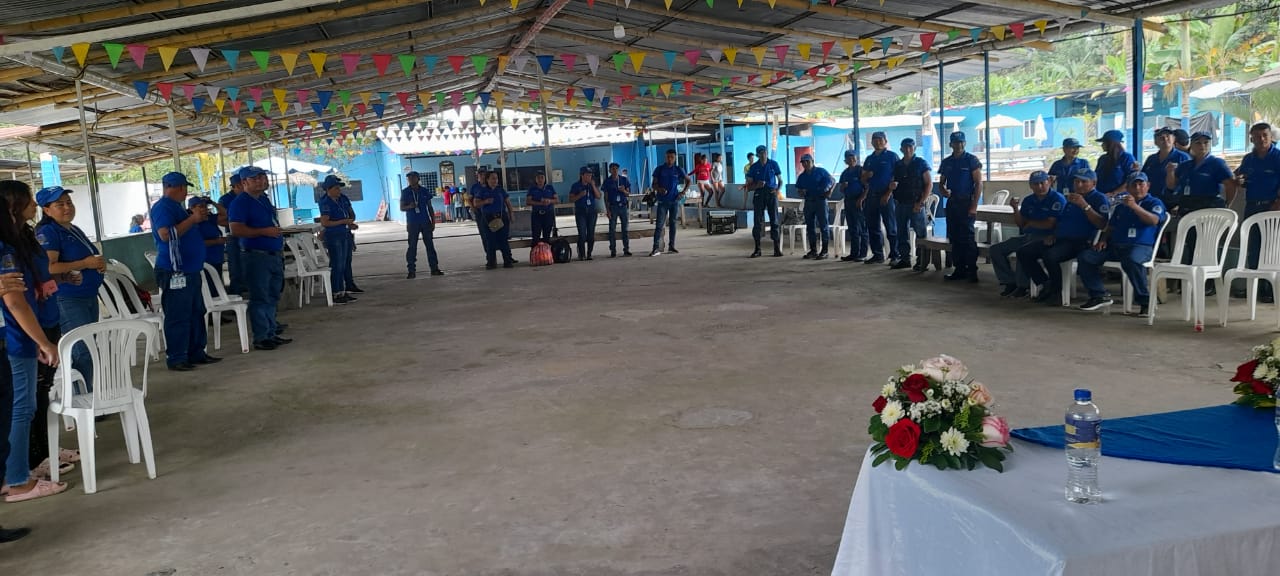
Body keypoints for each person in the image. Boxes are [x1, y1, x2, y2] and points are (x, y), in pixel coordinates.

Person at [0, 181, 64, 504]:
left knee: (21, 406)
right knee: (21, 408)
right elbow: (15, 302)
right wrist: (43, 341)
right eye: (29, 201)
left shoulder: (17, 241)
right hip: (16, 339)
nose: (34, 206)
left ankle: (16, 472)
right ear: (12, 208)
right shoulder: (5, 250)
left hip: (19, 337)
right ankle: (17, 480)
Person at [35, 186, 105, 391]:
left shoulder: (71, 228)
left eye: (69, 202)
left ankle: (87, 393)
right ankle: (81, 397)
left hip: (87, 296)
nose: (67, 207)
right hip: (68, 298)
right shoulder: (48, 231)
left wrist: (98, 264)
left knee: (88, 347)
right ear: (46, 210)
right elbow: (49, 267)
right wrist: (85, 263)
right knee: (81, 350)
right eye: (60, 204)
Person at [150, 172, 217, 371]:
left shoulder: (176, 207)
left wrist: (193, 219)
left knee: (196, 311)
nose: (185, 192)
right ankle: (177, 357)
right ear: (176, 187)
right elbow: (165, 235)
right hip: (174, 271)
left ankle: (196, 352)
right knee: (178, 314)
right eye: (184, 188)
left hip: (190, 269)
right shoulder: (163, 207)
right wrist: (192, 219)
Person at [1076, 172, 1169, 314]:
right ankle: (1099, 295)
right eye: (1133, 185)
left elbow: (1153, 220)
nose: (1137, 188)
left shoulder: (1154, 203)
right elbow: (1110, 227)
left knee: (1131, 260)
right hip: (1116, 246)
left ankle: (1145, 302)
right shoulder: (1121, 206)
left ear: (1148, 186)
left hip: (1141, 247)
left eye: (1141, 184)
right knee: (1086, 257)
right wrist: (1103, 239)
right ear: (1128, 188)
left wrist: (1134, 206)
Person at [1016, 168, 1110, 304]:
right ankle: (1045, 284)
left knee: (1050, 256)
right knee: (1024, 252)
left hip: (1081, 241)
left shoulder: (1098, 198)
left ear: (1093, 183)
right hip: (1061, 238)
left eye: (1084, 182)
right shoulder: (1072, 198)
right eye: (1076, 181)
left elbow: (1103, 224)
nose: (1079, 185)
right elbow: (1062, 221)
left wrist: (1085, 206)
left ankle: (1056, 293)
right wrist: (1053, 234)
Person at [229, 165, 291, 351]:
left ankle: (271, 331)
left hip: (273, 255)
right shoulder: (240, 203)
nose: (261, 181)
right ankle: (261, 336)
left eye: (262, 177)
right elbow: (236, 229)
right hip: (256, 256)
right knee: (260, 296)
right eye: (255, 178)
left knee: (272, 295)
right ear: (244, 182)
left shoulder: (263, 199)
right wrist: (264, 232)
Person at [991, 171, 1063, 298]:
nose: (1040, 187)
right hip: (1028, 235)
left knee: (1023, 250)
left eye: (1042, 183)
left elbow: (1050, 224)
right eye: (1036, 184)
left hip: (1046, 238)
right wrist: (1015, 209)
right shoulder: (1029, 200)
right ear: (1030, 185)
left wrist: (1031, 223)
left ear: (1049, 182)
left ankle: (1022, 286)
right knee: (995, 249)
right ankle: (1009, 281)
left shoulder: (1057, 199)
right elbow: (1021, 224)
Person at [1234, 122, 1280, 302]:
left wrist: (1277, 203)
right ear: (1251, 138)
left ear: (1270, 137)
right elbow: (1243, 178)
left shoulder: (1277, 157)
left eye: (1264, 135)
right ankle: (1253, 288)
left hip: (1272, 207)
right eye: (1257, 136)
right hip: (1252, 206)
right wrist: (1240, 180)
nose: (1261, 139)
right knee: (1252, 247)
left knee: (1270, 248)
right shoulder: (1248, 159)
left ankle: (1269, 289)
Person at [938, 132, 983, 280]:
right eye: (956, 142)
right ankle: (959, 269)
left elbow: (978, 183)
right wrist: (943, 190)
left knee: (967, 237)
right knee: (954, 236)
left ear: (965, 143)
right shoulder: (947, 162)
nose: (959, 145)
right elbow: (941, 182)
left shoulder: (971, 160)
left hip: (966, 203)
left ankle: (972, 270)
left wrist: (974, 206)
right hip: (952, 203)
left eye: (961, 142)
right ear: (950, 144)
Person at [889, 138, 932, 271]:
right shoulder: (898, 165)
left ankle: (922, 262)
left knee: (920, 234)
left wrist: (921, 202)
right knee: (901, 233)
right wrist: (891, 186)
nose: (908, 150)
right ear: (901, 149)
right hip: (901, 203)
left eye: (910, 147)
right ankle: (904, 259)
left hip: (916, 204)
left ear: (914, 149)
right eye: (905, 147)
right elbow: (893, 181)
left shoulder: (921, 163)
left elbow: (928, 184)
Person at [319, 175, 360, 304]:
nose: (339, 190)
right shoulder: (325, 202)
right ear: (328, 189)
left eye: (339, 188)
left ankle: (343, 290)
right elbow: (325, 222)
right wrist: (343, 221)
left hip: (344, 233)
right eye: (336, 188)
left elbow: (349, 213)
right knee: (337, 264)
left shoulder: (341, 199)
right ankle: (336, 293)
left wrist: (349, 223)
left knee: (344, 263)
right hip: (334, 236)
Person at [863, 131, 900, 264]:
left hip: (887, 195)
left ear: (885, 141)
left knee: (890, 226)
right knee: (873, 226)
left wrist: (888, 194)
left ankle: (895, 254)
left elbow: (897, 177)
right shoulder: (869, 159)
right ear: (872, 142)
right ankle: (877, 254)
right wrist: (866, 176)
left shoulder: (892, 156)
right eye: (875, 140)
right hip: (872, 195)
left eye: (880, 140)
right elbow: (863, 178)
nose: (878, 142)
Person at [400, 171, 442, 279]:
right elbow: (402, 207)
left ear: (418, 179)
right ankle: (411, 270)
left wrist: (433, 222)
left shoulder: (424, 191)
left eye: (413, 178)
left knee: (430, 246)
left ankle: (434, 268)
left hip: (425, 222)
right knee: (412, 247)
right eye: (409, 178)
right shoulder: (405, 192)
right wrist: (410, 206)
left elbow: (430, 207)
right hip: (412, 223)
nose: (411, 180)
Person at [745, 144, 783, 258]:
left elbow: (780, 180)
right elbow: (748, 186)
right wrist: (757, 185)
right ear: (757, 155)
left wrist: (777, 190)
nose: (763, 155)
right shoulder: (754, 167)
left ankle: (776, 248)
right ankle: (757, 249)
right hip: (759, 194)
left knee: (774, 220)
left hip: (771, 193)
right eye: (761, 153)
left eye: (765, 152)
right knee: (758, 221)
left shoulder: (773, 164)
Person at [650, 149, 690, 257]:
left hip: (674, 200)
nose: (670, 159)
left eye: (672, 157)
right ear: (665, 157)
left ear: (675, 158)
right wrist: (659, 189)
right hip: (662, 201)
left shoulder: (678, 169)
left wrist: (683, 192)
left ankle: (671, 246)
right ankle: (655, 248)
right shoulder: (659, 169)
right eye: (668, 157)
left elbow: (688, 180)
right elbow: (653, 184)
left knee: (673, 224)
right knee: (659, 225)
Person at [796, 154, 834, 260]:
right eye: (803, 162)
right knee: (810, 226)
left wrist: (830, 191)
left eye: (807, 161)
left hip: (820, 201)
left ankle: (825, 251)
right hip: (809, 202)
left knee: (823, 225)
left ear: (812, 161)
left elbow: (832, 180)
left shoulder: (821, 171)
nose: (805, 164)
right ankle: (813, 250)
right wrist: (801, 192)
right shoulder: (802, 176)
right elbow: (799, 190)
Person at [476, 171, 515, 269]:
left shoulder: (500, 190)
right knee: (490, 241)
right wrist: (485, 201)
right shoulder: (482, 191)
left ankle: (508, 261)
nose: (495, 180)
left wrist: (511, 214)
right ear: (487, 179)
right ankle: (491, 262)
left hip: (501, 217)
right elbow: (476, 203)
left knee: (503, 240)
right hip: (488, 218)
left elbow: (508, 202)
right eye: (492, 178)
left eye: (496, 178)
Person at [1141, 127, 1190, 204]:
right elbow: (1143, 178)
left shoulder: (1183, 158)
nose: (1165, 139)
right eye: (1161, 137)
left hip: (1173, 202)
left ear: (1174, 139)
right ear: (1155, 142)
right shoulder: (1151, 159)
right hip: (1151, 201)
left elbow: (1188, 182)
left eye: (1168, 136)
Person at [838, 149, 868, 262]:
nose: (851, 160)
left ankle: (863, 253)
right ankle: (854, 253)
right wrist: (843, 186)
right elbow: (841, 189)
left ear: (856, 158)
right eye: (848, 158)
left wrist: (861, 199)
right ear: (845, 161)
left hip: (859, 201)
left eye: (853, 157)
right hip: (848, 201)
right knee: (852, 228)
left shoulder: (861, 171)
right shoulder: (844, 173)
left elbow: (867, 187)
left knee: (862, 227)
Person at [218, 174, 244, 295]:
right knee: (235, 266)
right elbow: (220, 220)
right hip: (233, 236)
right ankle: (236, 292)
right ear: (236, 186)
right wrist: (235, 225)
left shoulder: (251, 196)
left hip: (250, 235)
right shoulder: (225, 200)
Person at [569, 167, 602, 260]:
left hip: (591, 212)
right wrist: (580, 195)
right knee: (582, 234)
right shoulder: (575, 186)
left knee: (591, 234)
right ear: (582, 175)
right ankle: (582, 254)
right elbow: (571, 199)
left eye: (590, 175)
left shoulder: (592, 185)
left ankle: (589, 253)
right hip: (581, 212)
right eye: (587, 175)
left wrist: (593, 186)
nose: (589, 177)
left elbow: (598, 196)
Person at [1095, 129, 1139, 197]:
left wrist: (1114, 193)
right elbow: (1096, 177)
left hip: (1120, 197)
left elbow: (1131, 180)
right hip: (1102, 195)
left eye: (1104, 142)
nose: (1102, 145)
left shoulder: (1127, 157)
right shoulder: (1102, 159)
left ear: (1111, 143)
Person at [603, 163, 632, 257]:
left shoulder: (624, 180)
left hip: (623, 206)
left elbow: (628, 194)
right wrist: (607, 210)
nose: (615, 170)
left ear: (618, 170)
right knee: (612, 229)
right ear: (609, 171)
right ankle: (613, 250)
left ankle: (626, 249)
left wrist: (623, 190)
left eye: (616, 169)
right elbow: (605, 197)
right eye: (613, 169)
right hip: (613, 207)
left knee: (625, 229)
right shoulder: (607, 181)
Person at [189, 197, 225, 272]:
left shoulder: (210, 219)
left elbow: (225, 214)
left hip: (216, 258)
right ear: (192, 208)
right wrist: (216, 241)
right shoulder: (191, 224)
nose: (204, 209)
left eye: (205, 206)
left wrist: (213, 203)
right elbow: (196, 243)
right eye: (201, 206)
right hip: (205, 261)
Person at [527, 171, 557, 244]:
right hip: (536, 214)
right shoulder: (532, 189)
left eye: (542, 177)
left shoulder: (550, 187)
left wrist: (549, 201)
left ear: (545, 178)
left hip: (548, 214)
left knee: (547, 237)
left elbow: (556, 200)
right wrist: (540, 203)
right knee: (536, 237)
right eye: (538, 178)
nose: (540, 179)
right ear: (535, 179)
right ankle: (535, 250)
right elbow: (528, 201)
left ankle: (546, 251)